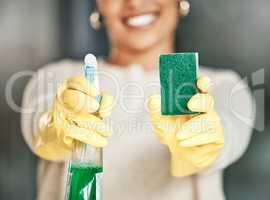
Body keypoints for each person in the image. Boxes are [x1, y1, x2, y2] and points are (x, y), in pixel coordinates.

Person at [21, 0, 254, 199]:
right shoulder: (58, 77)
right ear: (98, 4)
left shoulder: (223, 86)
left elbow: (222, 141)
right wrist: (57, 127)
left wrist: (196, 145)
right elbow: (42, 136)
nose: (134, 1)